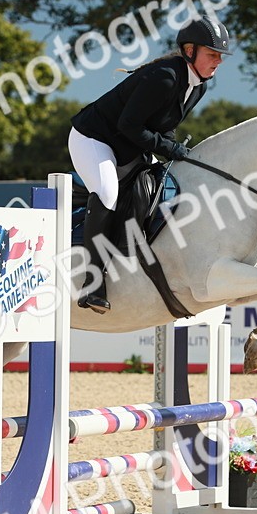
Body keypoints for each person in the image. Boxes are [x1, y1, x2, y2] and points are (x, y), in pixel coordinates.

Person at [67, 17, 232, 313]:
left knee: (161, 188)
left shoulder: (198, 87)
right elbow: (128, 124)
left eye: (220, 56)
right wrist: (169, 149)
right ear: (190, 51)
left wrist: (172, 149)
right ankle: (92, 282)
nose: (218, 61)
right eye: (212, 54)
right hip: (94, 138)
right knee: (108, 192)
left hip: (129, 144)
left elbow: (165, 126)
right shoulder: (164, 77)